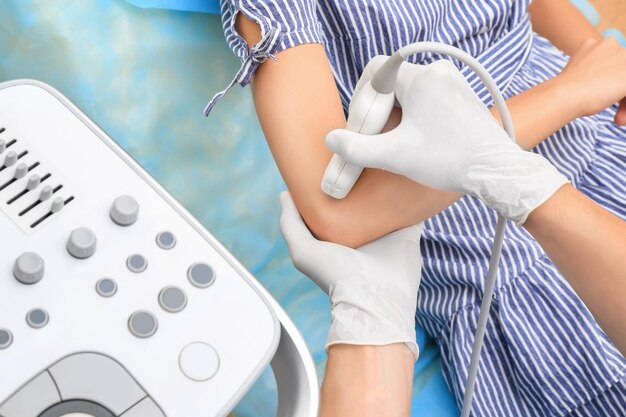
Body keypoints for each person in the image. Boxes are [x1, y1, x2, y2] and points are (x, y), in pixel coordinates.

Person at [206, 0, 626, 415]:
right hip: (495, 251)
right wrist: (571, 92)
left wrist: (600, 63)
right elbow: (338, 212)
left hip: (602, 137)